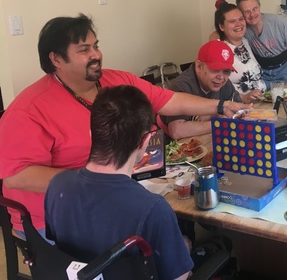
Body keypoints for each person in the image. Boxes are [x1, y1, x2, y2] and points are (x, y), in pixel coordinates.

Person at [0, 14, 248, 240]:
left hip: (112, 195)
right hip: (53, 219)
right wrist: (94, 183)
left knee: (163, 220)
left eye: (96, 46)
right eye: (84, 49)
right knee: (155, 231)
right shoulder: (29, 109)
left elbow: (168, 101)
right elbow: (17, 176)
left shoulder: (116, 80)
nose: (96, 54)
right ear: (56, 59)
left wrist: (220, 107)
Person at [44, 85, 193, 280]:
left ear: (91, 133)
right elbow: (178, 277)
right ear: (145, 142)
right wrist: (183, 250)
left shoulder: (57, 186)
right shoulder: (153, 209)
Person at [160, 40, 243, 140]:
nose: (221, 77)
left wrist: (212, 114)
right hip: (173, 148)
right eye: (215, 69)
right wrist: (220, 122)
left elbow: (238, 113)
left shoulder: (224, 83)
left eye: (226, 71)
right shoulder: (181, 86)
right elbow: (177, 131)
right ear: (199, 66)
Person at [236, 0, 287, 88]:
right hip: (263, 71)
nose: (252, 14)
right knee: (263, 101)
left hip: (285, 68)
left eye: (255, 9)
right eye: (247, 12)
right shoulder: (242, 29)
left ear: (259, 7)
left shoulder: (278, 21)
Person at [213, 0, 266, 102]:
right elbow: (216, 88)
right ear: (221, 26)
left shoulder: (246, 41)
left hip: (262, 102)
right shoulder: (220, 49)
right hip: (238, 109)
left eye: (241, 19)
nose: (238, 24)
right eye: (232, 21)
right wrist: (243, 98)